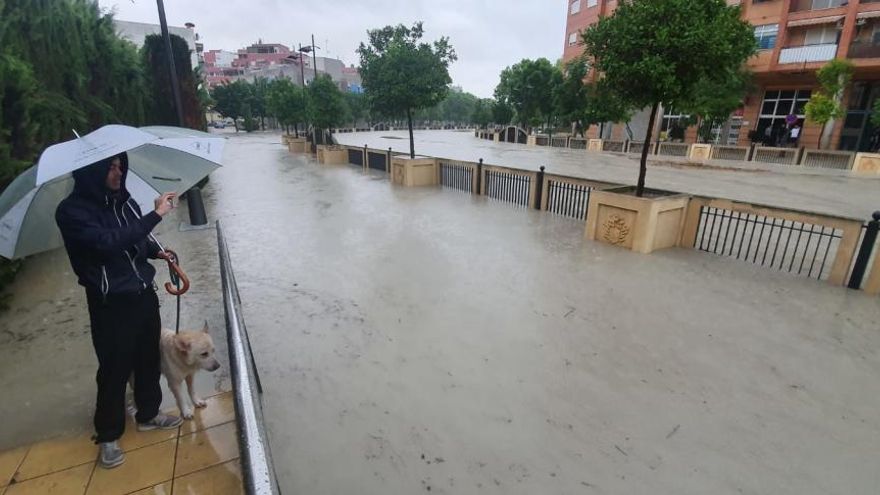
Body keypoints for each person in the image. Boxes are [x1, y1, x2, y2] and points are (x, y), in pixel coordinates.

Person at [55, 153, 182, 469]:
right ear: (91, 171)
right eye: (110, 167)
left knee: (147, 359)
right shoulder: (72, 212)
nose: (118, 172)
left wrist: (157, 252)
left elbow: (138, 240)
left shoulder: (124, 202)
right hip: (110, 304)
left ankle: (149, 414)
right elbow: (107, 243)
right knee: (114, 369)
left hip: (143, 295)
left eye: (120, 166)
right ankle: (109, 434)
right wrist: (156, 215)